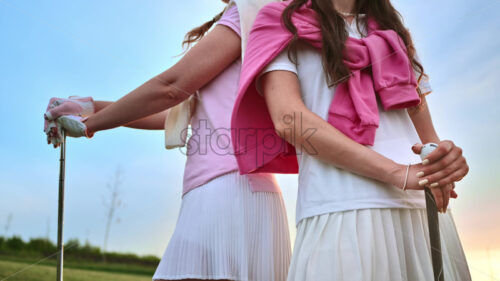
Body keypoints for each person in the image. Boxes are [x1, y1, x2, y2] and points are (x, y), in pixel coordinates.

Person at [43, 1, 291, 281]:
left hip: (224, 192)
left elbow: (169, 89)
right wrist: (91, 109)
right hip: (254, 196)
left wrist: (89, 124)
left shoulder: (245, 13)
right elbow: (172, 113)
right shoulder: (257, 14)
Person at [231, 0, 471, 280]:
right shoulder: (279, 20)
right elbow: (289, 120)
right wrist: (397, 172)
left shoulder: (392, 30)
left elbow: (428, 137)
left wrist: (447, 160)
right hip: (341, 209)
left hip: (420, 210)